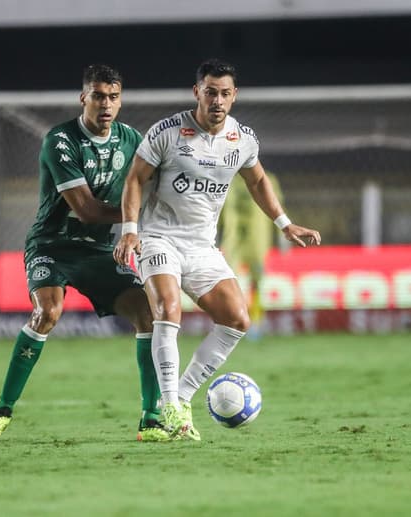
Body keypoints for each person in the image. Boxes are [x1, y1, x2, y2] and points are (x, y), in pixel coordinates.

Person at [113, 59, 321, 440]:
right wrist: (130, 230)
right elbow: (135, 179)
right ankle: (171, 408)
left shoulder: (242, 139)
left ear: (234, 96)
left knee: (237, 319)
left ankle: (181, 397)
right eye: (210, 92)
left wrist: (285, 224)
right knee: (168, 310)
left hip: (202, 246)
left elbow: (257, 181)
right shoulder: (167, 132)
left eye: (225, 93)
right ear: (197, 92)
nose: (218, 100)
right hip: (159, 238)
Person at [0, 64, 169, 442]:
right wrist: (142, 217)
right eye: (98, 96)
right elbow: (88, 210)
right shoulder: (60, 140)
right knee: (48, 312)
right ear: (84, 98)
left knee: (148, 313)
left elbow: (159, 180)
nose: (106, 105)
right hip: (52, 244)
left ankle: (151, 418)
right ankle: (3, 409)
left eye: (114, 97)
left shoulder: (132, 139)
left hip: (98, 250)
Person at [218, 171, 285, 338]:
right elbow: (217, 209)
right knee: (229, 282)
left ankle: (255, 321)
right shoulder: (226, 178)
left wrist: (283, 236)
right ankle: (232, 321)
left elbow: (276, 206)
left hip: (257, 240)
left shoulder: (267, 178)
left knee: (256, 283)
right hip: (234, 240)